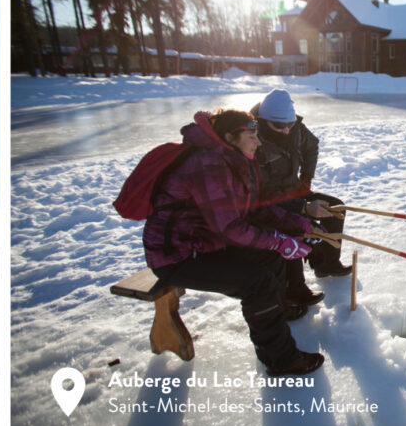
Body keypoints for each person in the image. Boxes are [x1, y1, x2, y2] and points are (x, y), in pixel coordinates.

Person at [143, 109, 324, 376]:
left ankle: (277, 309)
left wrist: (298, 223)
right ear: (230, 136)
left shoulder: (237, 159)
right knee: (257, 282)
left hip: (205, 242)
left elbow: (254, 208)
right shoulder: (208, 164)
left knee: (270, 258)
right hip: (177, 254)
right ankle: (280, 359)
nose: (259, 142)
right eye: (252, 136)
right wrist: (278, 241)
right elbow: (229, 227)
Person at [251, 90, 352, 307]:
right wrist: (304, 208)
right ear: (264, 120)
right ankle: (295, 288)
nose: (286, 129)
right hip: (270, 201)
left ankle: (327, 263)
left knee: (335, 207)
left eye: (289, 123)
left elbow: (311, 146)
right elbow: (263, 193)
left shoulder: (295, 128)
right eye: (280, 125)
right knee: (293, 225)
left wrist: (306, 178)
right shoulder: (253, 140)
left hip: (295, 190)